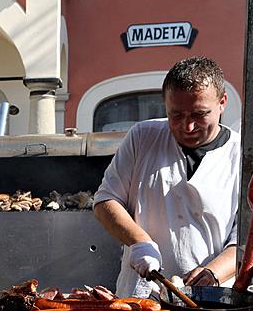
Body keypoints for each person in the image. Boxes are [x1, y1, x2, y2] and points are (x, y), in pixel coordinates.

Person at [93, 56, 240, 297]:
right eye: (176, 115)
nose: (188, 126)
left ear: (222, 102)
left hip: (212, 302)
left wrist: (212, 274)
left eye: (199, 114)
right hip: (141, 297)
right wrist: (140, 241)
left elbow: (251, 239)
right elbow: (105, 202)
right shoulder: (143, 137)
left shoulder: (243, 154)